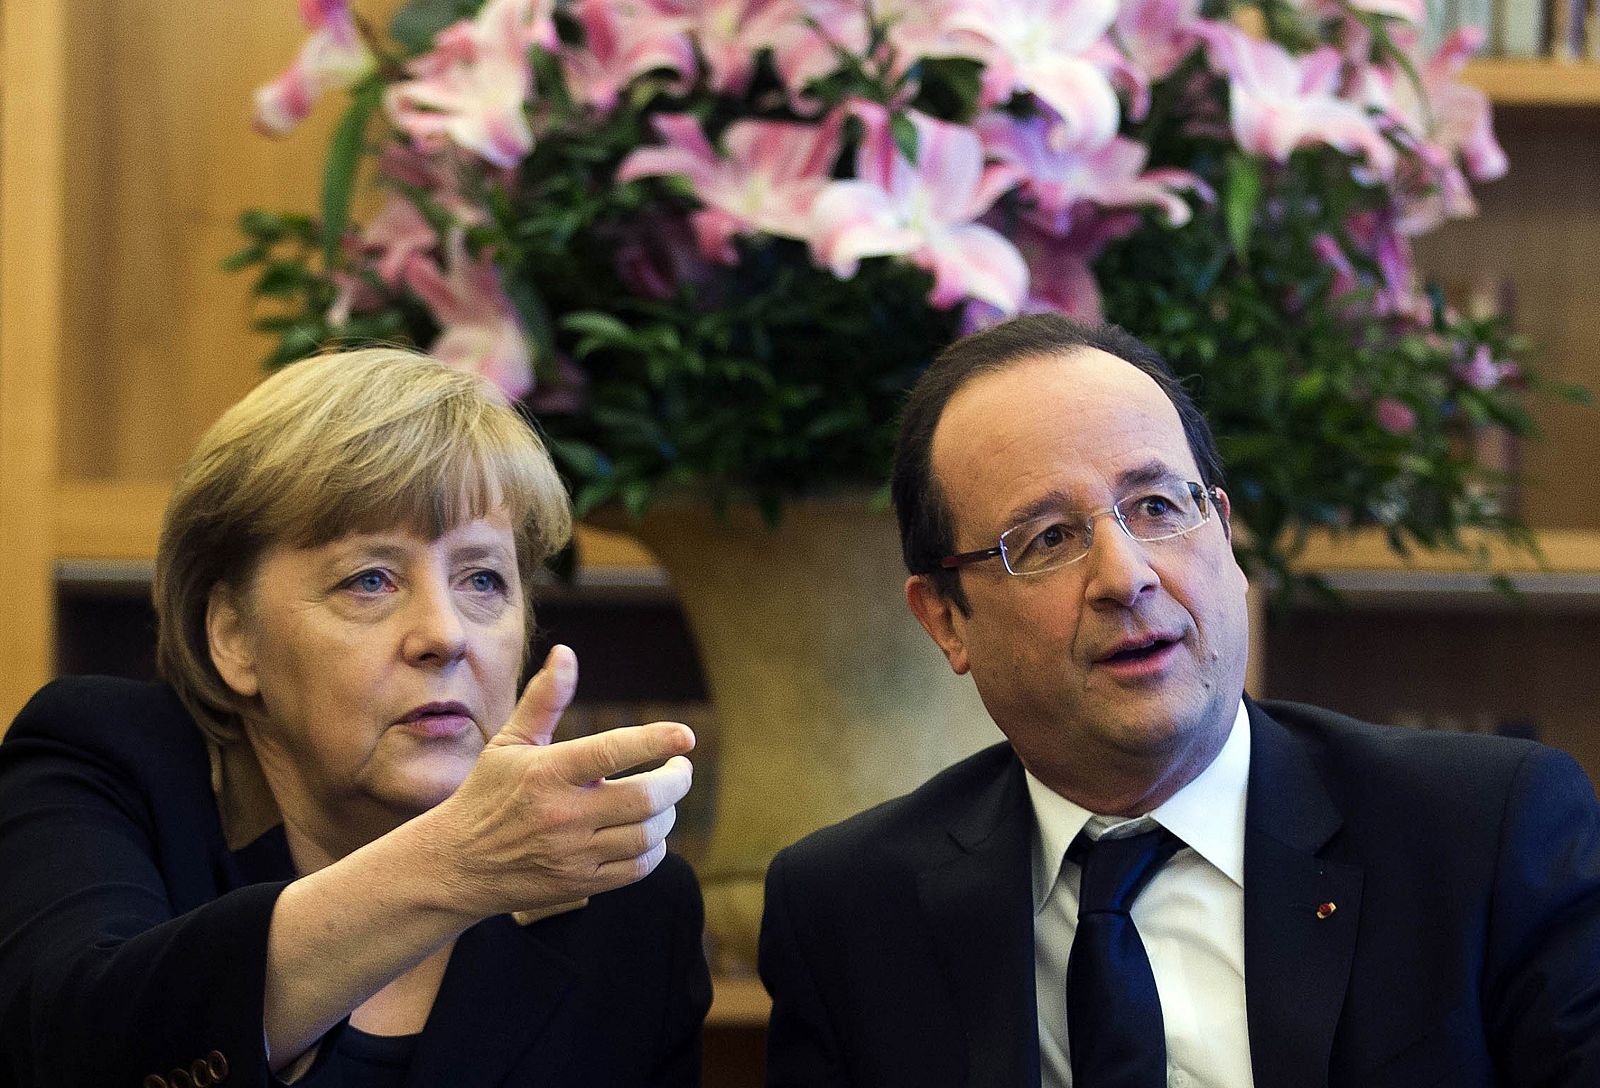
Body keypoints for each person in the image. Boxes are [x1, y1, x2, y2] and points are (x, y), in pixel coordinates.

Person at [758, 314, 1600, 1088]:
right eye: (1048, 539)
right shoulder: (848, 912)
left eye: (1158, 507)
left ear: (1223, 535)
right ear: (946, 619)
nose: (1127, 576)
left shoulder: (1485, 833)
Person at [0, 347, 711, 1087]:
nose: (444, 634)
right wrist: (456, 866)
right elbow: (71, 1051)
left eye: (482, 578)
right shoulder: (106, 766)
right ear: (234, 636)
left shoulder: (626, 907)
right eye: (370, 580)